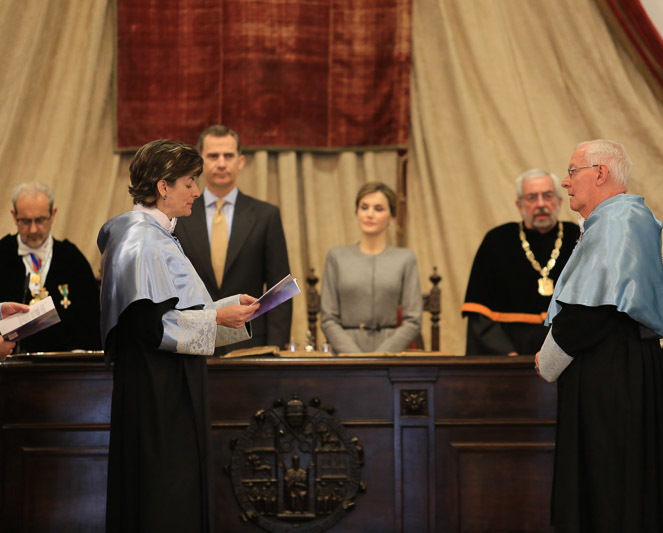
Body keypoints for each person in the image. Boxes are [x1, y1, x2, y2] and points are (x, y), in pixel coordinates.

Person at [98, 139, 259, 532]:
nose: (197, 192)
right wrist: (218, 317)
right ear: (163, 187)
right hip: (157, 391)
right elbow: (149, 327)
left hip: (164, 383)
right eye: (189, 182)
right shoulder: (141, 240)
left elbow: (170, 312)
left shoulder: (155, 234)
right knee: (164, 493)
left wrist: (226, 309)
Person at [535, 139, 663, 532]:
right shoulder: (623, 218)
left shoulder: (617, 221)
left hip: (609, 373)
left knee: (607, 485)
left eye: (572, 171)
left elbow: (591, 309)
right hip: (620, 366)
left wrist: (548, 359)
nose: (565, 182)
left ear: (600, 173)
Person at [174, 125, 292, 352]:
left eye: (228, 156)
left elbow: (280, 288)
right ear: (200, 162)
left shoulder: (266, 215)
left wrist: (275, 348)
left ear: (241, 161)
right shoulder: (180, 215)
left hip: (251, 344)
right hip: (193, 342)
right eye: (213, 156)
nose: (221, 163)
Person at [461, 169, 580, 355]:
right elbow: (479, 315)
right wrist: (508, 357)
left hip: (568, 351)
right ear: (519, 205)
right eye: (532, 197)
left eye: (547, 196)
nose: (541, 204)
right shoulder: (497, 240)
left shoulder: (577, 237)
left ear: (559, 201)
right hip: (509, 355)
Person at [320, 181, 422, 354]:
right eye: (364, 207)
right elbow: (328, 319)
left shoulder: (405, 259)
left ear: (392, 216)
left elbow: (413, 320)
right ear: (357, 212)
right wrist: (355, 357)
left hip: (391, 352)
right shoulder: (336, 257)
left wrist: (381, 357)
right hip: (345, 353)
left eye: (379, 209)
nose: (370, 214)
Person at [0, 182, 101, 352]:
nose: (33, 229)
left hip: (62, 363)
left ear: (53, 215)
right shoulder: (2, 253)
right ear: (14, 216)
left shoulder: (72, 258)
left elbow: (91, 319)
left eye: (40, 220)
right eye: (25, 221)